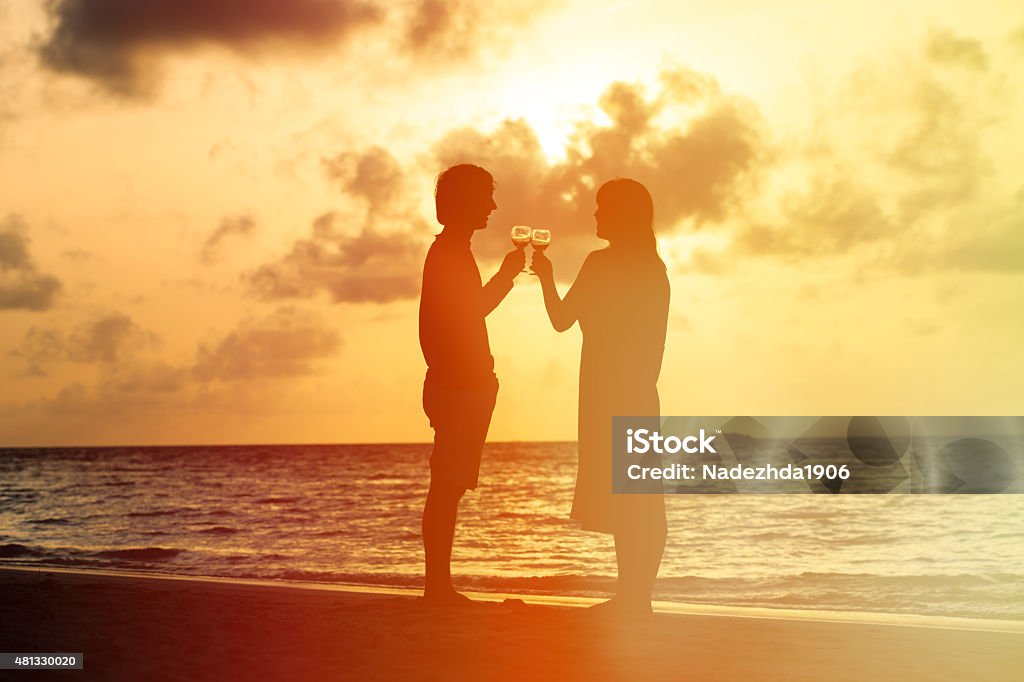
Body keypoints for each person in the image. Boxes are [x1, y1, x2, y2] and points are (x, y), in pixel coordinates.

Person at [531, 178, 669, 615]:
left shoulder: (605, 264)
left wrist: (547, 277)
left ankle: (634, 598)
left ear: (622, 215)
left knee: (635, 497)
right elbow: (654, 343)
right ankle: (634, 598)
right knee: (638, 498)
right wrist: (548, 278)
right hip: (634, 392)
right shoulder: (650, 266)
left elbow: (559, 320)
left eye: (601, 208)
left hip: (609, 392)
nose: (594, 215)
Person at [418, 164, 526, 605]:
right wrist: (507, 274)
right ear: (465, 201)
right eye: (486, 197)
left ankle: (438, 587)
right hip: (459, 386)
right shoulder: (448, 253)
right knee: (447, 485)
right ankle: (438, 588)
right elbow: (468, 312)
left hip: (459, 383)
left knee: (450, 484)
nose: (494, 206)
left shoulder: (450, 251)